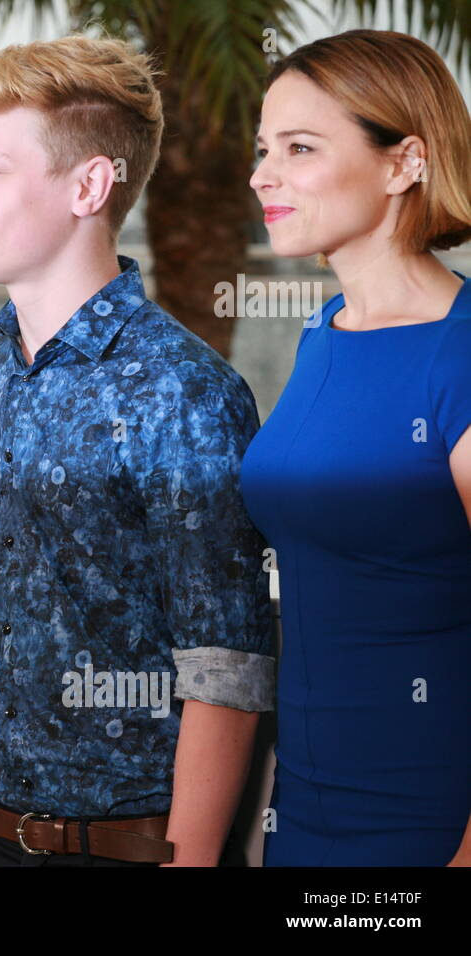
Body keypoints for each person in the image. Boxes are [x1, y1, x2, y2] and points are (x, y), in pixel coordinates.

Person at [0, 35, 276, 868]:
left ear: (89, 185)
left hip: (134, 847)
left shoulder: (184, 390)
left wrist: (192, 857)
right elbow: (26, 624)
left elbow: (227, 669)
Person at [243, 29, 471, 867]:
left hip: (428, 818)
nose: (263, 174)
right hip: (302, 810)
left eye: (300, 148)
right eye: (264, 148)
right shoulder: (322, 333)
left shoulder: (461, 352)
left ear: (404, 161)